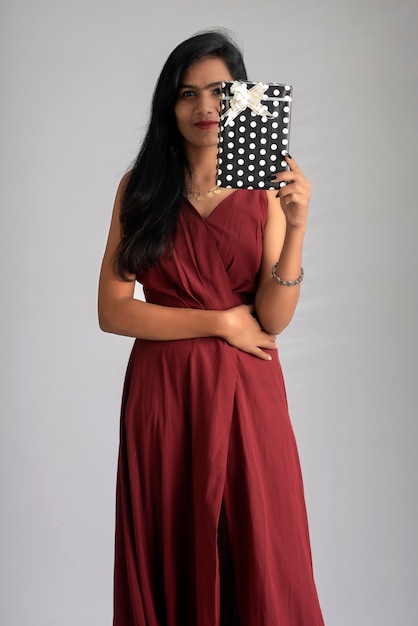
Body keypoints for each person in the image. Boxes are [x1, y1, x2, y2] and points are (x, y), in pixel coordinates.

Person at [98, 29, 324, 626]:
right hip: (164, 396)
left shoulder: (265, 189)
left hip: (247, 396)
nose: (204, 108)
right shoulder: (140, 189)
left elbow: (272, 319)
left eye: (219, 92)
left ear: (243, 98)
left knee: (258, 545)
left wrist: (297, 228)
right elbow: (113, 310)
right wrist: (220, 321)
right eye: (186, 94)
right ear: (168, 107)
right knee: (171, 539)